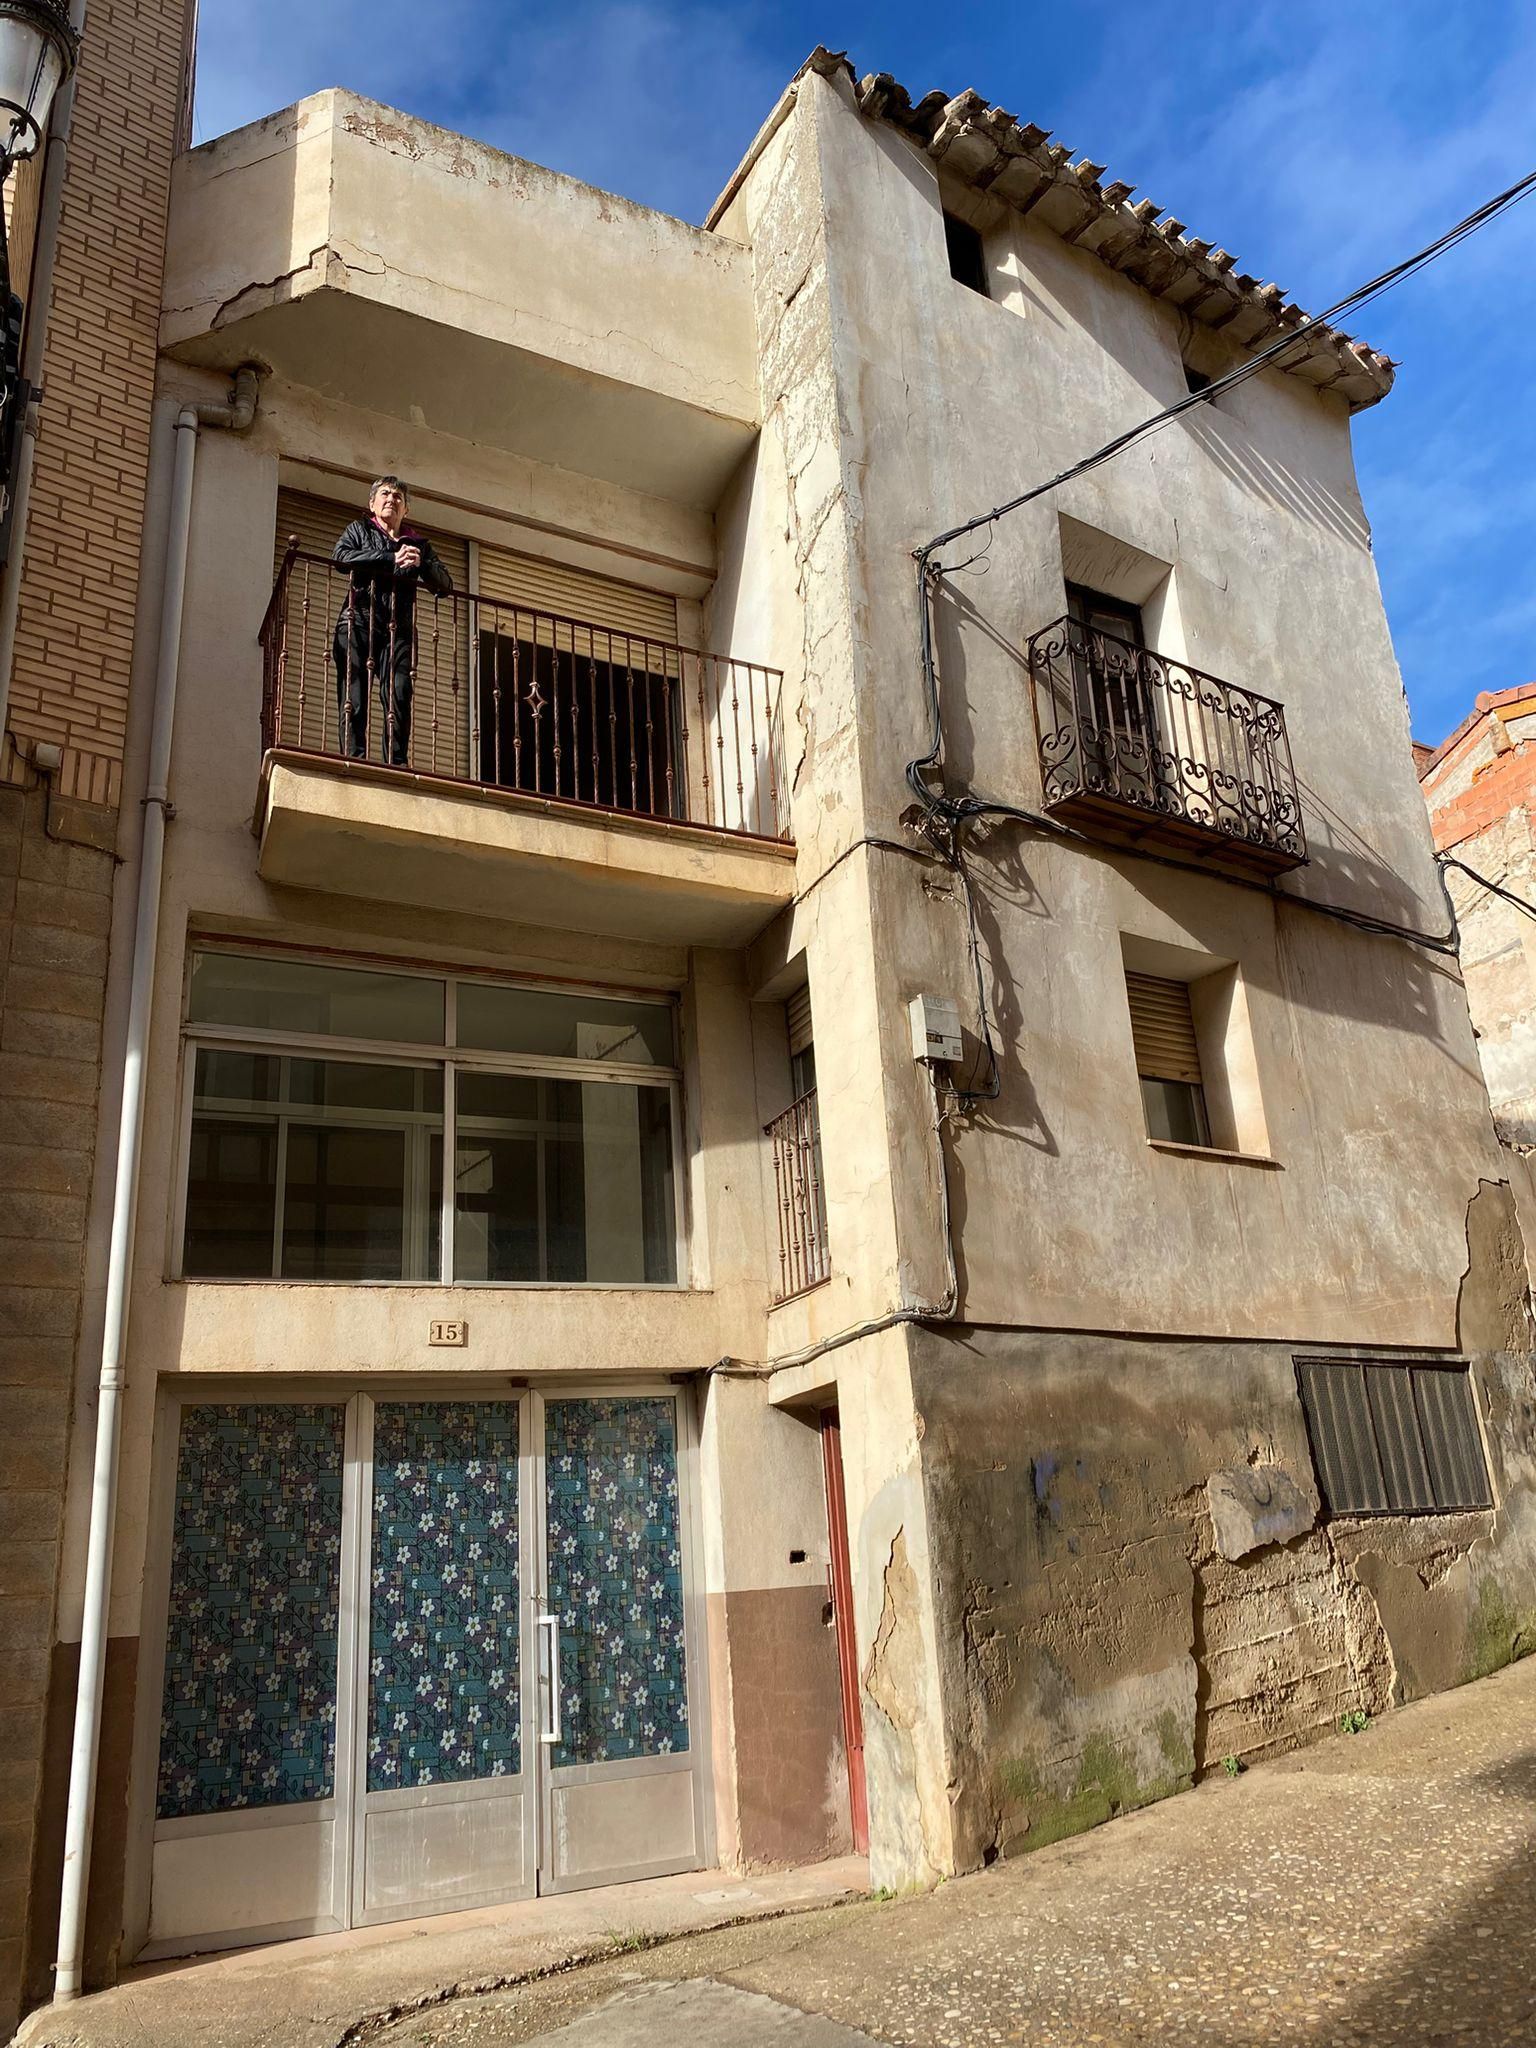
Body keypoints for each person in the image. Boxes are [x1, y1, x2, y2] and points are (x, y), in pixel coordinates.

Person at [331, 476, 453, 767]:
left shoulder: (419, 545)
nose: (391, 499)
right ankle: (353, 759)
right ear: (372, 504)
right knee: (354, 693)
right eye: (384, 494)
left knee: (399, 694)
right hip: (358, 618)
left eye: (398, 497)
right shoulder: (359, 529)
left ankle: (396, 764)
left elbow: (446, 586)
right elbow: (340, 557)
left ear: (406, 510)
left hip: (399, 629)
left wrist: (421, 564)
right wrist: (390, 558)